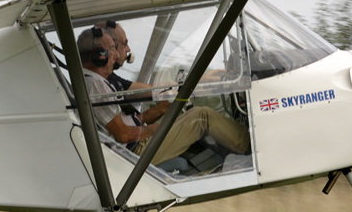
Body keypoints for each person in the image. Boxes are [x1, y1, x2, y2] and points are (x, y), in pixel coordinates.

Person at [77, 26, 249, 169]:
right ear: (100, 56)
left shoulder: (101, 81)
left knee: (188, 113)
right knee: (201, 117)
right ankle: (251, 150)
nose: (116, 54)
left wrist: (161, 109)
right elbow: (123, 135)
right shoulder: (95, 86)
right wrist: (157, 128)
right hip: (135, 153)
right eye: (112, 48)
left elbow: (131, 119)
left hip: (136, 145)